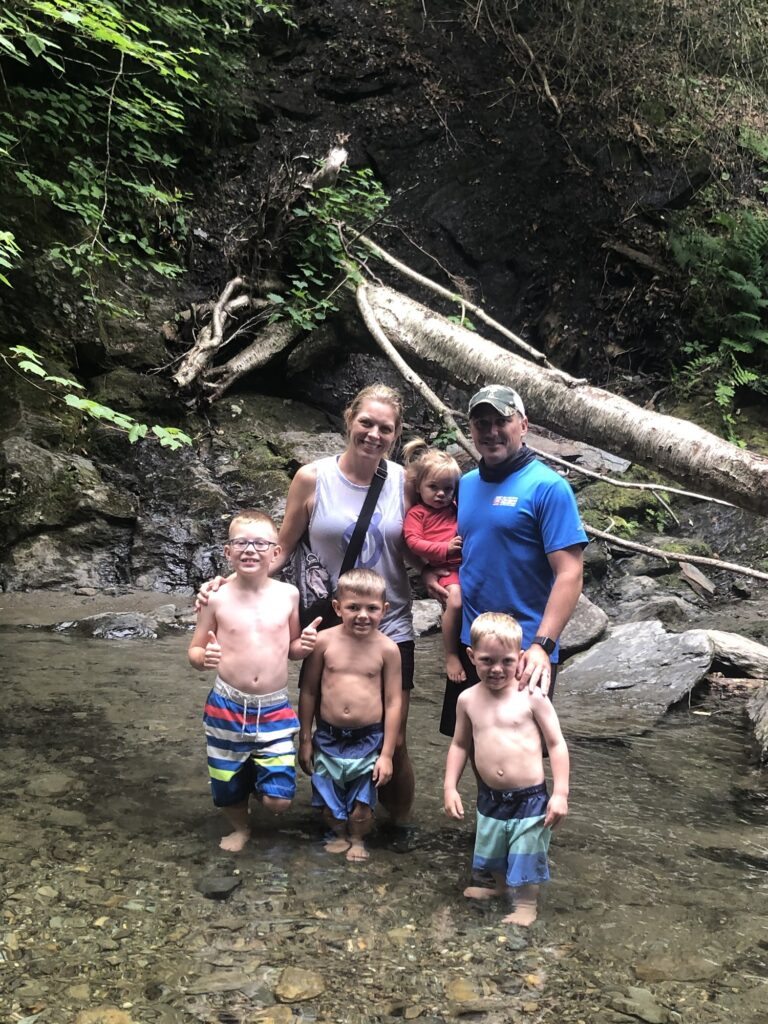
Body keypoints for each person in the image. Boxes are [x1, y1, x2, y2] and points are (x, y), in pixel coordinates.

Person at [275, 383, 417, 827]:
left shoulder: (403, 482)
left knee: (396, 737)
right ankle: (337, 821)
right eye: (367, 423)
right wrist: (232, 584)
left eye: (386, 429)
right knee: (325, 721)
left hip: (389, 621)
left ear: (396, 435)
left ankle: (397, 828)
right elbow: (281, 548)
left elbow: (414, 550)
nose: (374, 434)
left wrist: (445, 579)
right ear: (349, 419)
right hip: (328, 622)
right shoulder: (312, 478)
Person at [429, 385, 588, 737]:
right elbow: (469, 549)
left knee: (521, 763)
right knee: (469, 750)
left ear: (524, 425)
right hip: (473, 646)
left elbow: (570, 573)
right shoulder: (466, 485)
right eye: (481, 423)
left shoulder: (548, 488)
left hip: (524, 650)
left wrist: (542, 646)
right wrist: (433, 575)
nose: (491, 431)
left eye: (502, 420)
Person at [189, 509, 321, 852]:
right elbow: (194, 650)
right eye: (241, 543)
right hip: (227, 705)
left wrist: (303, 646)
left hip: (274, 706)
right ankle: (240, 826)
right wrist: (205, 659)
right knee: (225, 779)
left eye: (260, 543)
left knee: (279, 800)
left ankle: (257, 782)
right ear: (227, 552)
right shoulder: (215, 598)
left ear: (276, 552)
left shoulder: (288, 595)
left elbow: (290, 649)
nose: (250, 550)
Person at [443, 613, 569, 926]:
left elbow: (556, 744)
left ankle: (526, 904)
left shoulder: (532, 696)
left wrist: (560, 794)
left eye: (506, 661)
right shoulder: (467, 700)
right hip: (490, 797)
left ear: (521, 658)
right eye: (487, 660)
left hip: (530, 798)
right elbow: (460, 745)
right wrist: (450, 787)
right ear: (471, 656)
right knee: (494, 849)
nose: (497, 669)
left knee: (526, 854)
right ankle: (500, 888)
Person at [298, 569, 403, 862]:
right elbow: (308, 692)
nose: (362, 615)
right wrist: (305, 739)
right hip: (328, 736)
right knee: (328, 801)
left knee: (362, 803)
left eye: (371, 608)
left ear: (384, 610)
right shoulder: (323, 642)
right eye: (353, 607)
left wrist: (387, 754)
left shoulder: (388, 649)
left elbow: (394, 702)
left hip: (368, 738)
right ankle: (337, 833)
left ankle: (357, 838)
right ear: (337, 607)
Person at [402, 439, 465, 682]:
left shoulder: (455, 508)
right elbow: (412, 541)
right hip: (445, 567)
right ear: (419, 487)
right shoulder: (418, 514)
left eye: (448, 489)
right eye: (434, 487)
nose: (441, 494)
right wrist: (444, 549)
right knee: (455, 602)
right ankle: (450, 654)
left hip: (466, 566)